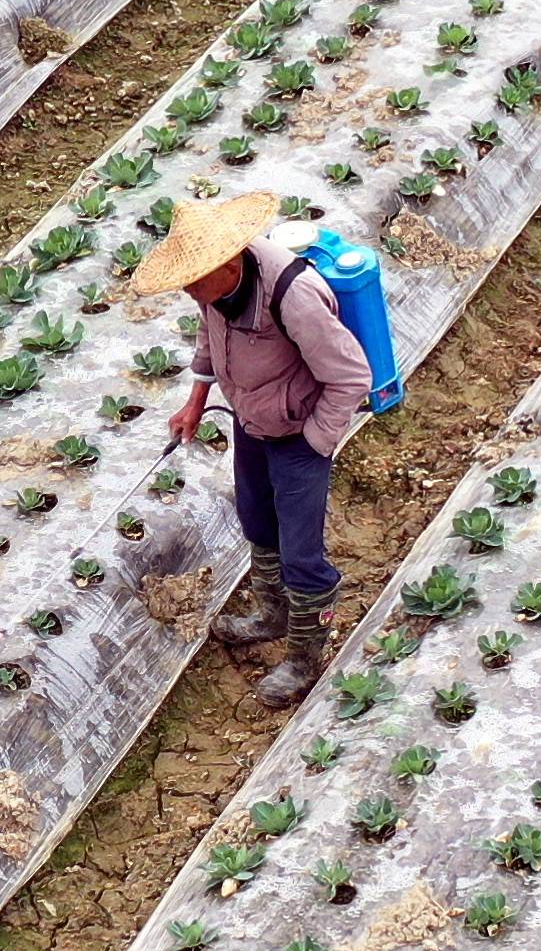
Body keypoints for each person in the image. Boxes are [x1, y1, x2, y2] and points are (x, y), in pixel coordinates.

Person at [134, 193, 374, 709]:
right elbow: (209, 336)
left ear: (229, 262)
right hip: (251, 421)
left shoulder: (295, 297)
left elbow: (352, 376)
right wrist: (196, 400)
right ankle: (272, 617)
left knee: (302, 553)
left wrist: (315, 441)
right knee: (257, 523)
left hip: (298, 433)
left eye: (196, 282)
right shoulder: (213, 293)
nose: (191, 293)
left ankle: (305, 658)